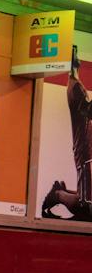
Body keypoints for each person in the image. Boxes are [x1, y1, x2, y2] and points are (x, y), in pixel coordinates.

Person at [41, 48, 92, 221]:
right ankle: (58, 194)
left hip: (86, 147)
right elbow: (88, 111)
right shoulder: (75, 86)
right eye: (74, 55)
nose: (78, 58)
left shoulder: (76, 84)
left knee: (88, 200)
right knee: (87, 207)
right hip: (85, 149)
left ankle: (60, 191)